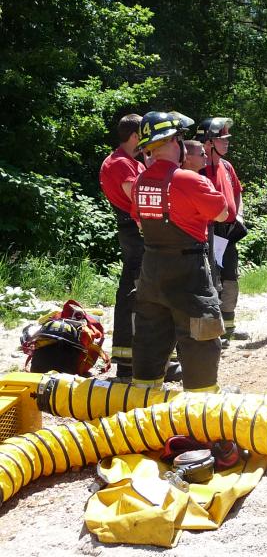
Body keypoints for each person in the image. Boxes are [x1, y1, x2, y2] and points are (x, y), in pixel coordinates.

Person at [130, 111, 229, 392]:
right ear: (175, 141)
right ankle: (201, 407)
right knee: (200, 336)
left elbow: (139, 220)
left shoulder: (140, 182)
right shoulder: (189, 179)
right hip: (189, 272)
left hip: (151, 270)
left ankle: (143, 401)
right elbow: (222, 214)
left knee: (150, 336)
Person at [99, 114, 144, 380]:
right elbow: (137, 197)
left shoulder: (129, 161)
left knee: (134, 290)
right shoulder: (120, 163)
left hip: (134, 229)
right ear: (136, 136)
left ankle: (131, 361)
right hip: (134, 230)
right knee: (137, 292)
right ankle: (130, 362)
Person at [196, 117, 249, 344]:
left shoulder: (227, 166)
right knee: (211, 280)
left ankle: (228, 326)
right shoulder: (197, 167)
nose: (227, 142)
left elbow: (237, 193)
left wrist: (239, 215)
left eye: (228, 138)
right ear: (208, 142)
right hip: (208, 231)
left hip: (228, 232)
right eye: (222, 138)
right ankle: (213, 331)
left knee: (230, 279)